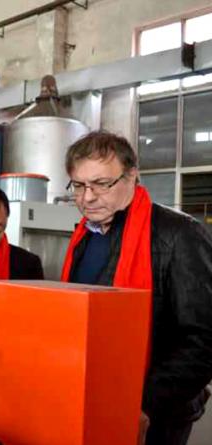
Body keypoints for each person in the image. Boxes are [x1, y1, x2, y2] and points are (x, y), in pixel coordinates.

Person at [60, 130, 212, 445]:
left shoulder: (180, 234)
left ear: (132, 177)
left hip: (156, 413)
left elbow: (203, 338)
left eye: (101, 184)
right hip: (94, 396)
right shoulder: (84, 236)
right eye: (79, 185)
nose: (87, 197)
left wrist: (145, 404)